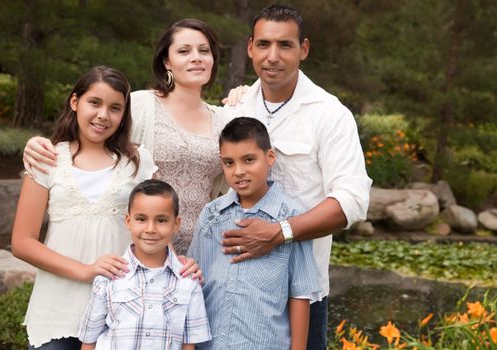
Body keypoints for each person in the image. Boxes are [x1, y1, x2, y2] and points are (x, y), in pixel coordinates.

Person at [220, 5, 372, 349]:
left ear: (303, 49)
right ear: (250, 48)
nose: (272, 56)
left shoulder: (330, 114)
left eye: (285, 45)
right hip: (235, 285)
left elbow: (352, 201)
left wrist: (279, 233)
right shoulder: (235, 109)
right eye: (263, 45)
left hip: (300, 292)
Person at [22, 19, 227, 256]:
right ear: (166, 61)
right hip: (137, 251)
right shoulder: (140, 105)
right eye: (184, 51)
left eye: (204, 51)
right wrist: (36, 144)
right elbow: (91, 134)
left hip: (202, 251)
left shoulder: (225, 119)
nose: (196, 57)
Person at [11, 66, 158, 349]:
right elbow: (22, 242)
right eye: (95, 103)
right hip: (56, 309)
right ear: (75, 102)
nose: (104, 115)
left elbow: (154, 228)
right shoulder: (47, 158)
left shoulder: (138, 162)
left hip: (120, 310)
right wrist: (86, 270)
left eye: (115, 108)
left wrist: (180, 268)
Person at [188, 117, 321, 350]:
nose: (239, 171)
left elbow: (300, 295)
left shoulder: (291, 218)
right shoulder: (211, 215)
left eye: (249, 160)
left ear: (270, 157)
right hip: (211, 344)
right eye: (229, 163)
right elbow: (193, 283)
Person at [78, 179, 211, 350]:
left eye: (161, 220)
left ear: (176, 224)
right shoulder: (109, 277)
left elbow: (188, 345)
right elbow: (89, 341)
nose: (150, 229)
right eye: (141, 219)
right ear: (128, 221)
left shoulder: (188, 282)